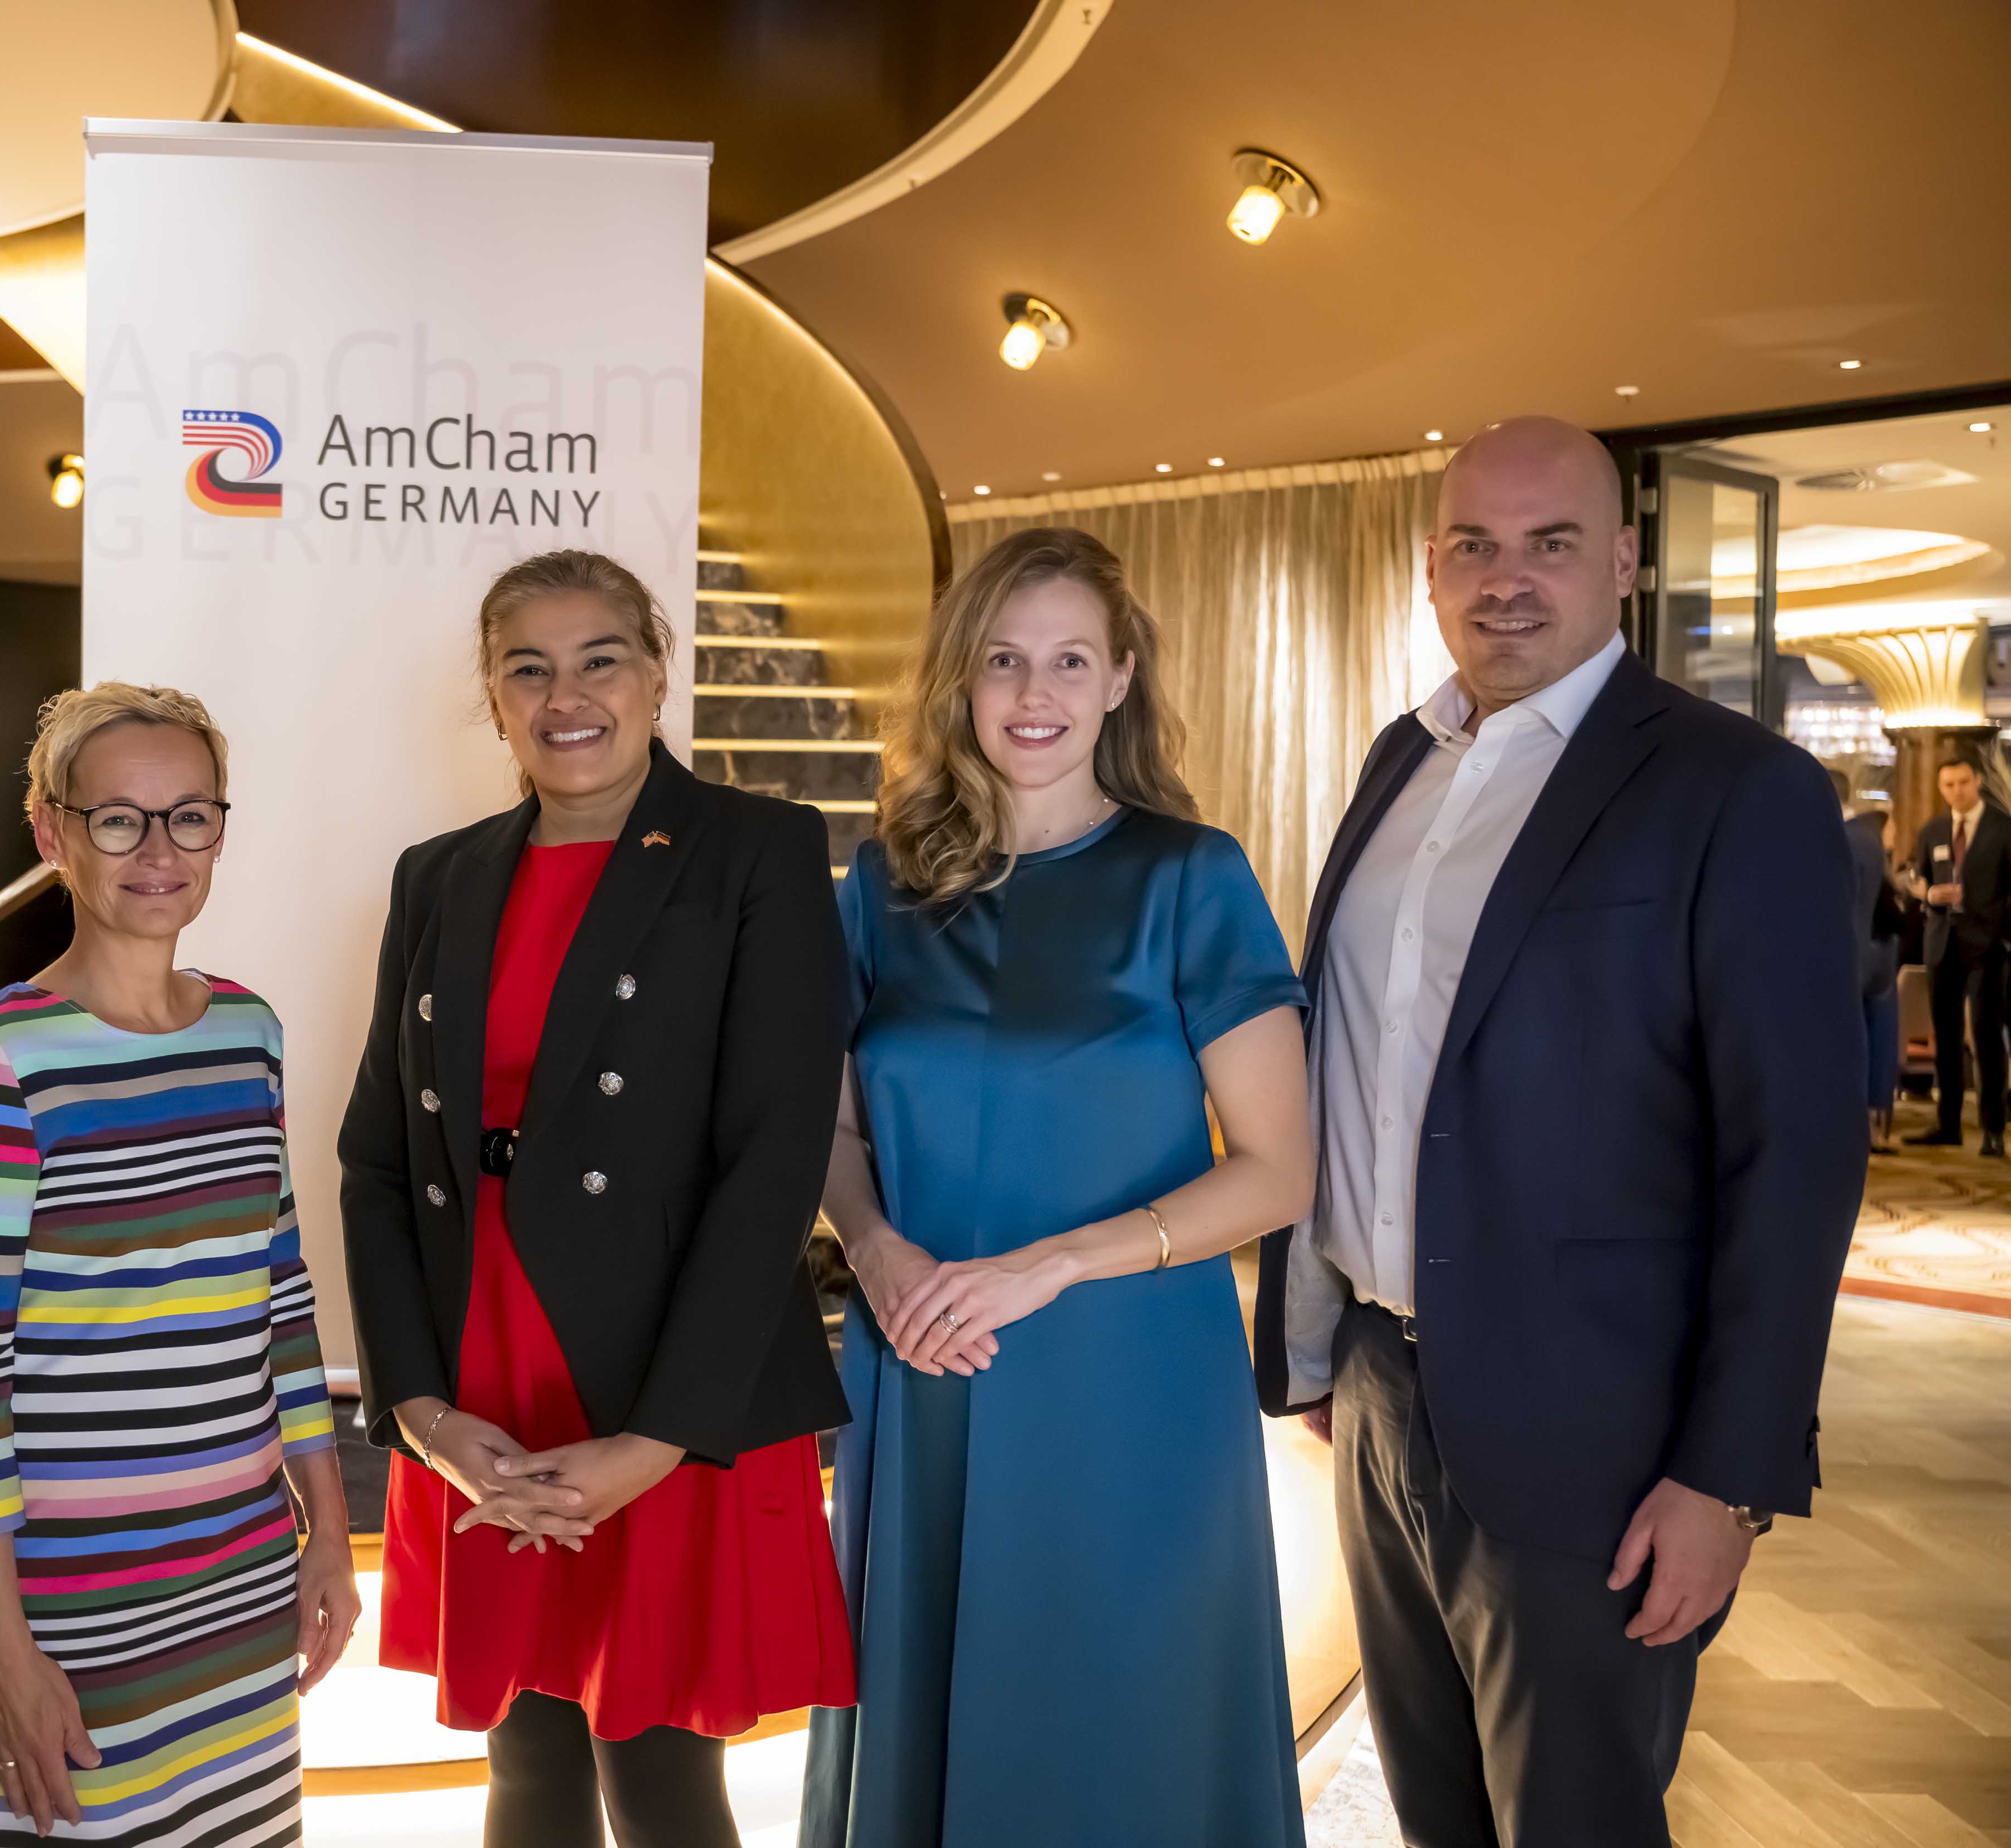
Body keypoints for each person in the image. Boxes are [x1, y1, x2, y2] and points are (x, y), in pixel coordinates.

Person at [1258, 416, 1866, 1845]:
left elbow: (1795, 1157)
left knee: (1574, 1822)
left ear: (1624, 563)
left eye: (1551, 543)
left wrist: (1729, 1475)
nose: (1506, 578)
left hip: (1600, 1431)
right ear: (1430, 565)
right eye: (1473, 542)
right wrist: (1328, 1341)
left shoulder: (1738, 788)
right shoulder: (1394, 763)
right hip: (1382, 1389)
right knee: (1435, 1814)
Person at [800, 527, 1314, 1847]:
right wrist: (877, 1256)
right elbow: (828, 1130)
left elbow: (1277, 1167)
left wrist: (1054, 1264)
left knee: (1119, 1719)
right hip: (919, 1355)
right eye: (1003, 662)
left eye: (1069, 661)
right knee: (919, 1699)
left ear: (1121, 677)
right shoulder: (880, 887)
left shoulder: (1188, 876)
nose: (1034, 697)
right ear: (959, 685)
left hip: (1125, 1369)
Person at [339, 549, 853, 1848]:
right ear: (493, 694)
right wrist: (419, 1412)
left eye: (599, 658)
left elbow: (774, 1160)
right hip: (487, 1378)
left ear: (656, 669)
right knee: (524, 1757)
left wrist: (657, 1440)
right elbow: (381, 1161)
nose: (566, 696)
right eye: (528, 667)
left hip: (673, 1377)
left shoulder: (757, 851)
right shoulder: (438, 877)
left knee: (664, 1773)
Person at [0, 684, 358, 1844]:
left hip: (242, 1583)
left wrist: (327, 1535)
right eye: (119, 819)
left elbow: (283, 1296)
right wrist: (0, 1647)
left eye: (188, 817)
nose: (158, 851)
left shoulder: (246, 1030)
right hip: (70, 1609)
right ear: (52, 829)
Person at [1907, 756, 2011, 1153]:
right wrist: (1929, 894)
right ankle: (1947, 1124)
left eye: (1963, 782)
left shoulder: (2003, 829)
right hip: (1942, 943)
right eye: (1948, 785)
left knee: (1986, 1038)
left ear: (1978, 781)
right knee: (1946, 1039)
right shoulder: (1933, 829)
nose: (1956, 791)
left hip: (1988, 947)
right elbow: (1916, 879)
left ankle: (1994, 1129)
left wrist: (1999, 930)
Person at [1830, 768, 1901, 1153]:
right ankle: (1870, 1125)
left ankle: (1856, 1129)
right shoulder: (1866, 837)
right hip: (1876, 957)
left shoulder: (1845, 838)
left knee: (1857, 1043)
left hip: (1853, 960)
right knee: (1875, 1039)